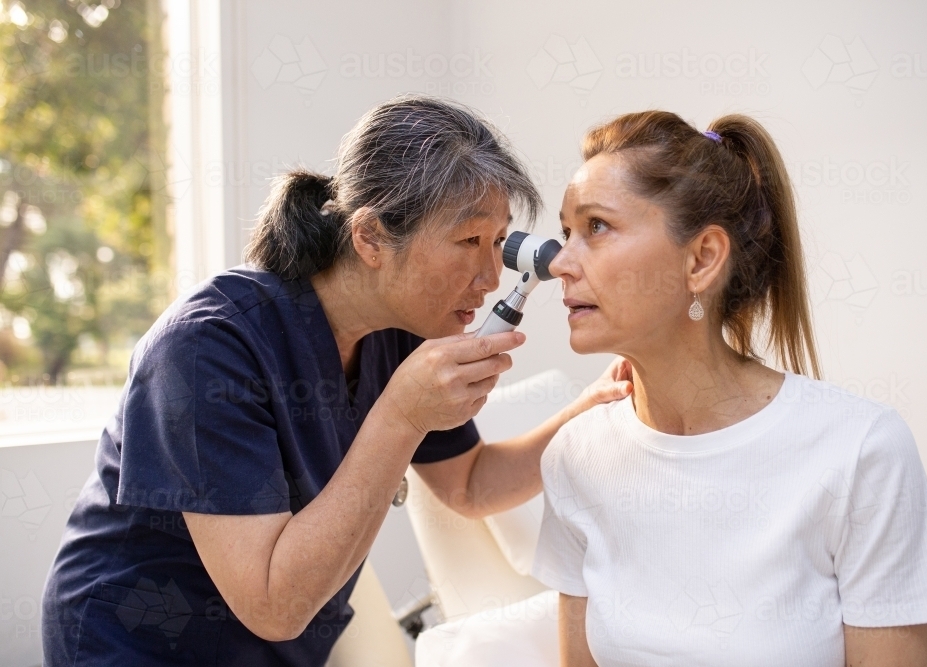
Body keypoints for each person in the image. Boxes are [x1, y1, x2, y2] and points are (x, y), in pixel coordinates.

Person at [40, 95, 633, 666]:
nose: (487, 275)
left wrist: (589, 408)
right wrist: (401, 416)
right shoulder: (206, 349)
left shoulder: (399, 331)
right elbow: (274, 605)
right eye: (468, 241)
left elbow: (469, 486)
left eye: (499, 243)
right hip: (135, 644)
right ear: (371, 237)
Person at [532, 111, 927, 666]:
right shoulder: (578, 456)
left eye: (596, 227)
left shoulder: (861, 452)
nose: (560, 263)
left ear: (702, 259)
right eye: (566, 231)